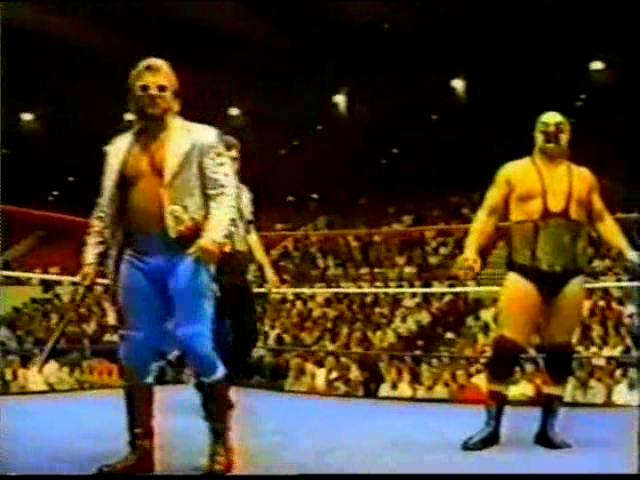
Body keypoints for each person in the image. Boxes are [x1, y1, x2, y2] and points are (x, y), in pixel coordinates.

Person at [78, 57, 240, 474]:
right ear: (133, 96)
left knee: (196, 342)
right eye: (145, 89)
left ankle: (220, 442)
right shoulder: (118, 148)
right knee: (134, 350)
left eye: (161, 88)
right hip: (137, 256)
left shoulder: (203, 138)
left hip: (186, 254)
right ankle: (141, 450)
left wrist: (212, 237)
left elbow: (225, 194)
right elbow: (105, 209)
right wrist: (91, 258)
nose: (153, 95)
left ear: (175, 96)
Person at [455, 111, 639, 451]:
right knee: (507, 347)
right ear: (535, 133)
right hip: (526, 269)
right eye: (546, 129)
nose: (552, 134)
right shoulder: (514, 172)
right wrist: (471, 249)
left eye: (559, 129)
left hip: (570, 272)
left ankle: (548, 428)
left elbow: (600, 217)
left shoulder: (583, 177)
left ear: (569, 134)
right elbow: (489, 212)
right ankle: (491, 425)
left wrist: (628, 251)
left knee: (560, 351)